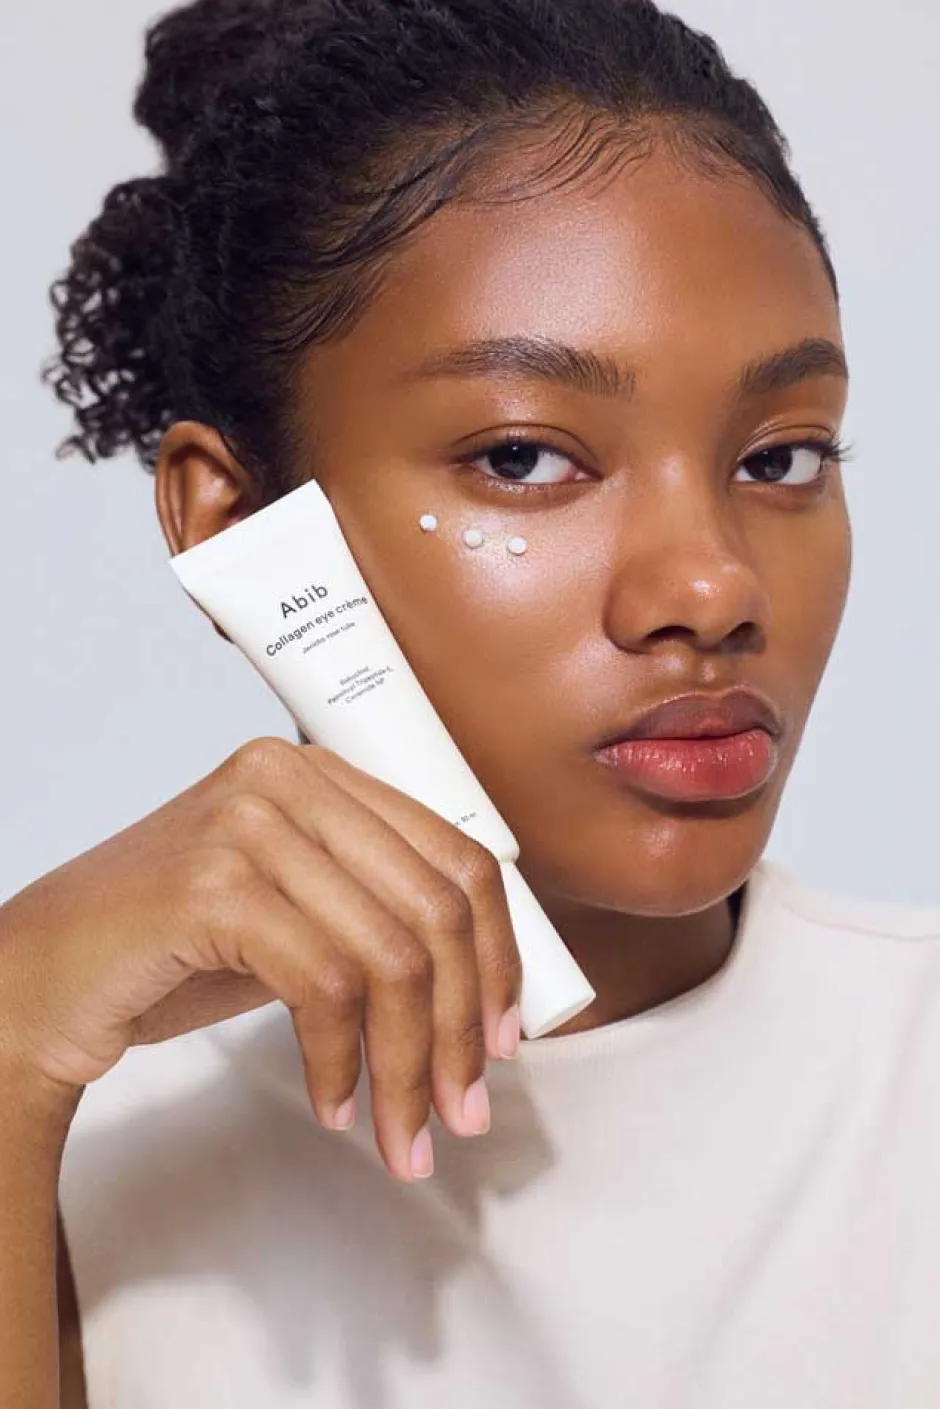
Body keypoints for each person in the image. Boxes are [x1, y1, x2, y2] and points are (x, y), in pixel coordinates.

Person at [2, 0, 939, 1404]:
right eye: (522, 459)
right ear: (239, 526)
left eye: (782, 457)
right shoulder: (68, 1142)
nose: (712, 587)